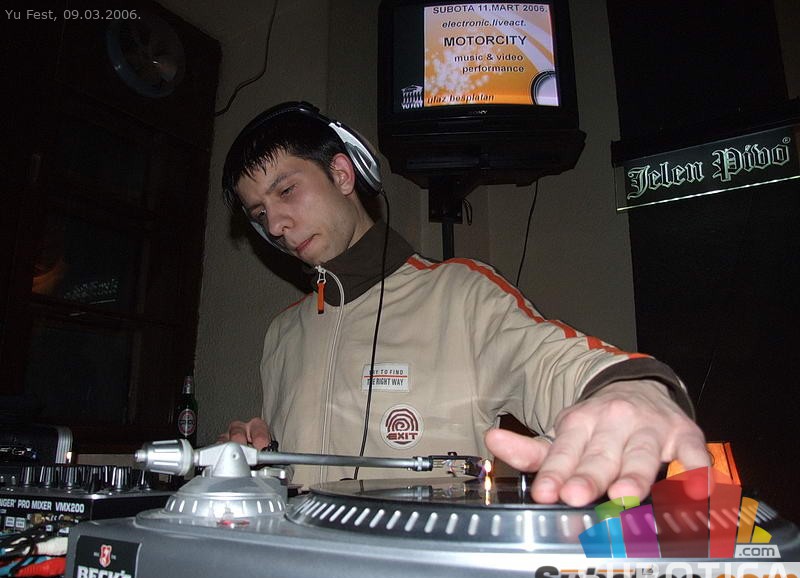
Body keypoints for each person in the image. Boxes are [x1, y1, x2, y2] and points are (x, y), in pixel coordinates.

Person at [220, 101, 709, 507]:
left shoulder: (461, 293)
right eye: (261, 213)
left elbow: (549, 361)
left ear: (343, 174)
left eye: (287, 191)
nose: (276, 225)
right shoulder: (281, 333)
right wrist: (255, 460)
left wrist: (629, 388)